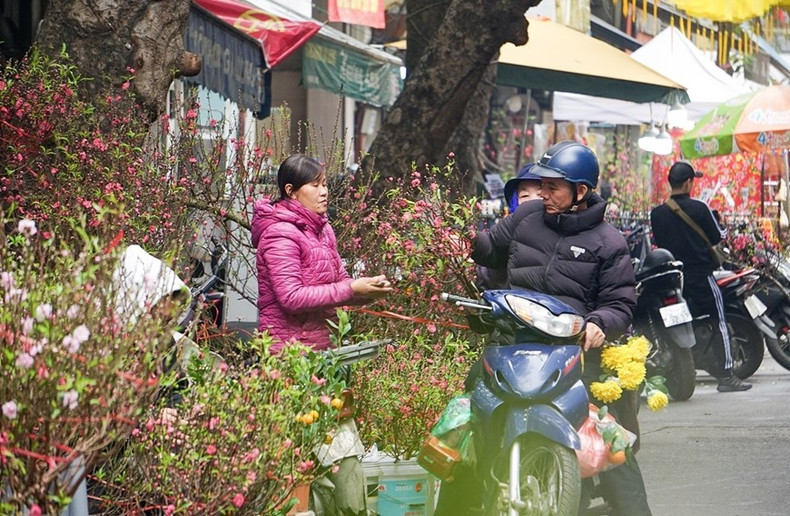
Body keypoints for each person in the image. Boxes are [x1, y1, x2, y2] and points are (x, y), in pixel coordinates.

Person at [435, 141, 651, 516]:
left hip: (573, 352)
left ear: (580, 192)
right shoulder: (526, 218)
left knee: (611, 441)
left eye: (553, 186)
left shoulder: (609, 242)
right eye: (542, 184)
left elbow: (620, 303)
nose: (543, 193)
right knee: (467, 425)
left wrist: (600, 323)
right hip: (510, 343)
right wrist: (465, 239)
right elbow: (491, 251)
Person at [250, 154, 392, 353]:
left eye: (324, 184)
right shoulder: (280, 234)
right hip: (290, 352)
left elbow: (340, 281)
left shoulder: (323, 230)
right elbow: (291, 297)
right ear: (290, 191)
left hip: (324, 349)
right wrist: (352, 289)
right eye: (315, 186)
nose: (324, 192)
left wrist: (368, 290)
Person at [650, 161, 751, 392]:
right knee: (719, 322)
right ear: (688, 182)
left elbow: (659, 242)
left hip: (673, 280)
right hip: (701, 276)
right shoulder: (700, 208)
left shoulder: (657, 214)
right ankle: (727, 377)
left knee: (675, 324)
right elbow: (717, 237)